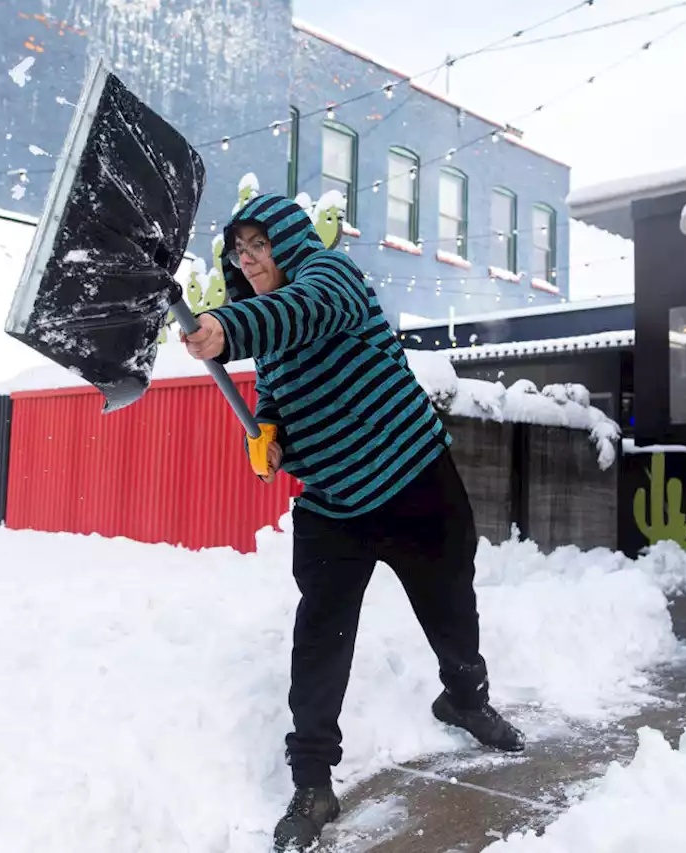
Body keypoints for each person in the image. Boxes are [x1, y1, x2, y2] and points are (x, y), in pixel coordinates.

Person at [181, 193, 524, 852]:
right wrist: (271, 435)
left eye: (259, 244)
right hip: (335, 502)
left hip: (414, 478)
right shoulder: (270, 336)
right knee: (320, 638)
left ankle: (464, 697)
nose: (249, 259)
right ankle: (313, 781)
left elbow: (299, 314)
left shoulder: (331, 278)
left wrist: (225, 329)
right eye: (240, 251)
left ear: (287, 239)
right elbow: (275, 391)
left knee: (450, 605)